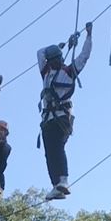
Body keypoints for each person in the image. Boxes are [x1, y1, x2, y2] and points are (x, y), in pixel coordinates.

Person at [37, 21, 93, 200]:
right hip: (48, 119)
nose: (53, 63)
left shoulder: (68, 71)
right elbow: (39, 52)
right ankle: (56, 185)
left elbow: (84, 56)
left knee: (57, 148)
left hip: (61, 117)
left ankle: (63, 180)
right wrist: (62, 44)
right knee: (50, 152)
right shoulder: (47, 72)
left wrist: (88, 37)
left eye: (55, 59)